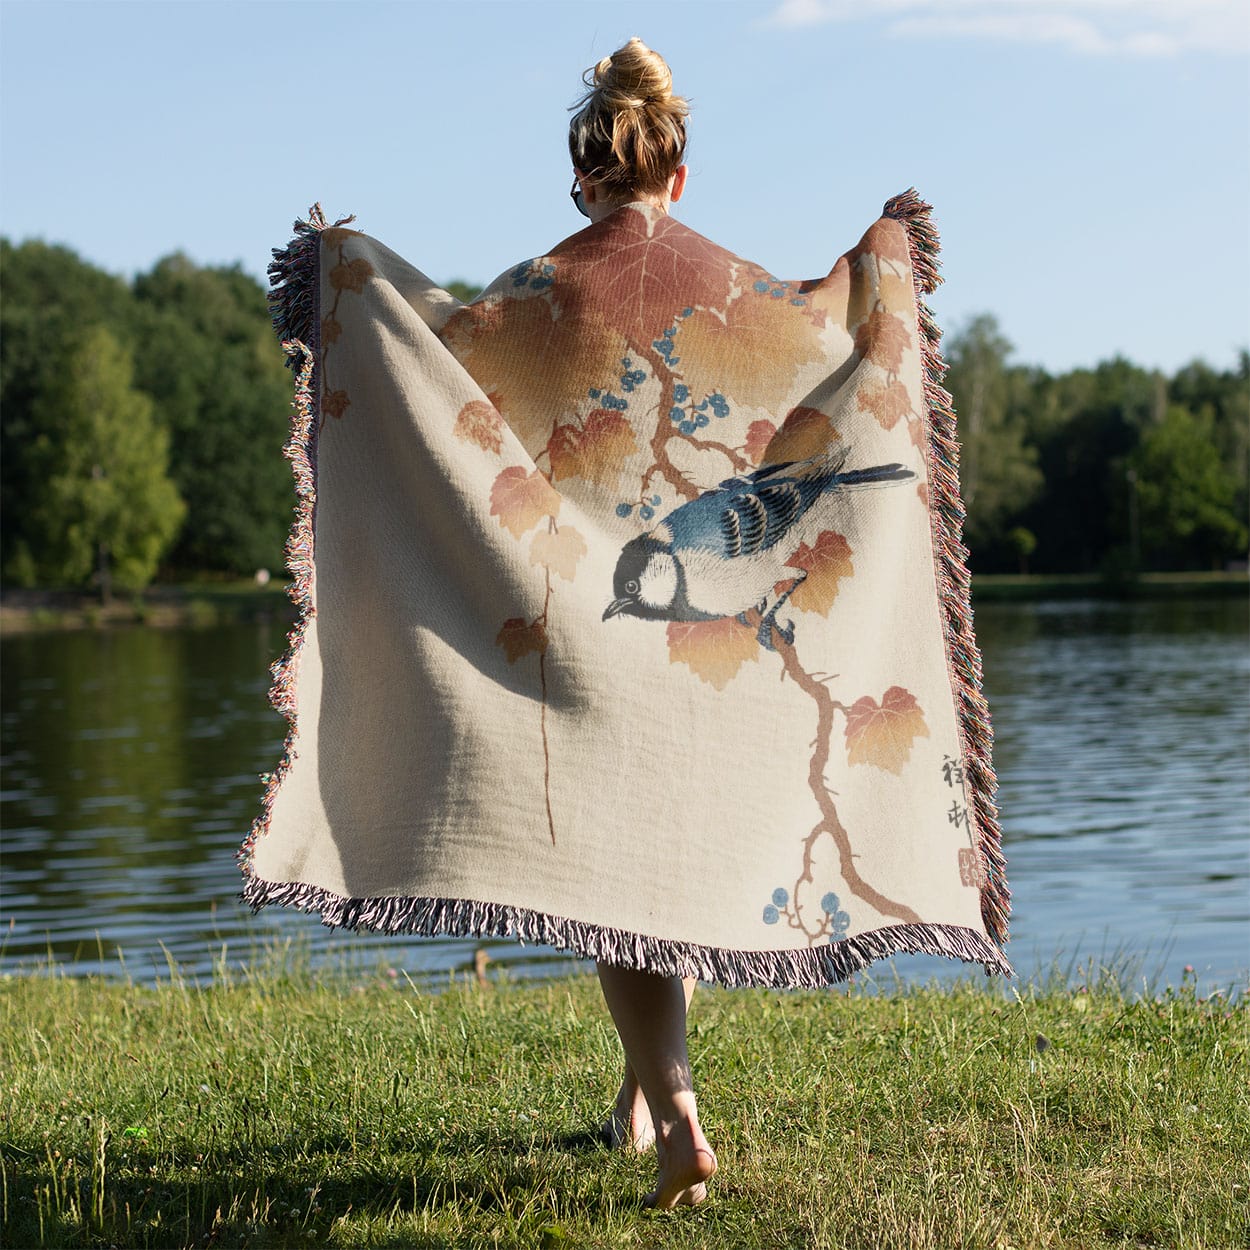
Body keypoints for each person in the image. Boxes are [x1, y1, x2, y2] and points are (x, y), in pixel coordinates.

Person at [566, 37, 716, 1211]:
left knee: (615, 882)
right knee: (663, 864)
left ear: (584, 178)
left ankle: (675, 1117)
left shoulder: (544, 285)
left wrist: (346, 283)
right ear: (676, 173)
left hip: (593, 612)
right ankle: (633, 1098)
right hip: (705, 623)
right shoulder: (734, 285)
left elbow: (444, 397)